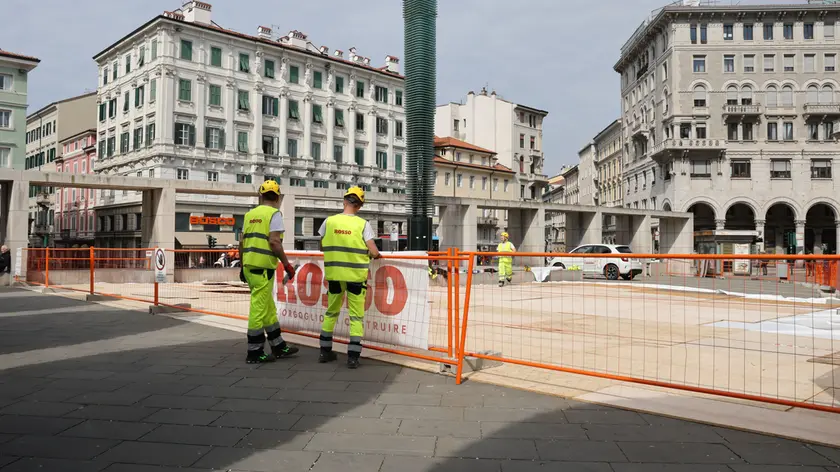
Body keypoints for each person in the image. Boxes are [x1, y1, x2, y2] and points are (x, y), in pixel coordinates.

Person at [318, 186, 381, 369]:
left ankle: (324, 351)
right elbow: (373, 251)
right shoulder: (363, 224)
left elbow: (322, 246)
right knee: (356, 317)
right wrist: (374, 255)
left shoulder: (329, 221)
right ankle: (353, 357)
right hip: (355, 277)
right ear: (359, 206)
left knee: (331, 312)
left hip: (335, 275)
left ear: (344, 201)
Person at [240, 180, 300, 364]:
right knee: (258, 309)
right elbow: (274, 242)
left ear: (261, 195)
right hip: (263, 268)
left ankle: (278, 345)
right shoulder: (274, 214)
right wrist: (287, 265)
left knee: (268, 308)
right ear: (277, 197)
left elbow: (242, 242)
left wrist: (242, 265)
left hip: (250, 266)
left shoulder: (250, 215)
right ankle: (254, 352)